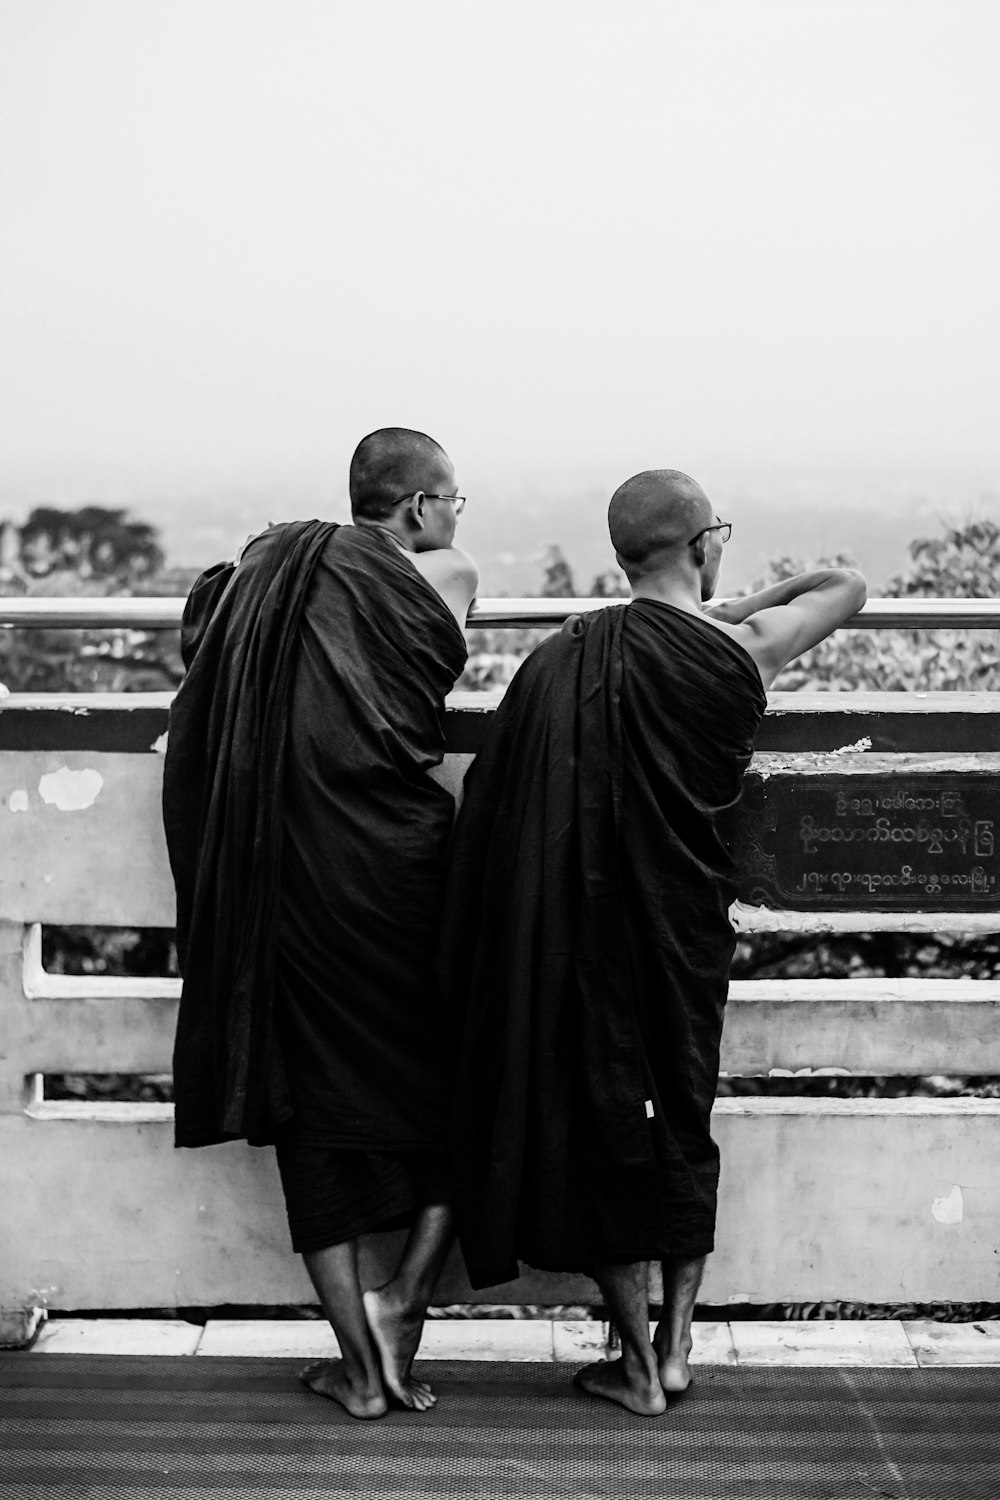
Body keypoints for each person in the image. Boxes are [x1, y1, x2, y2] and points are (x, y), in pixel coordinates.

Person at [438, 469, 866, 1416]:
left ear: (624, 556)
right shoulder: (739, 653)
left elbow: (498, 796)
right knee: (682, 1116)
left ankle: (634, 1361)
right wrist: (715, 610)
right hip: (682, 930)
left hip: (580, 935)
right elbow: (846, 584)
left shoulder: (566, 655)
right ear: (704, 546)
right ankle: (674, 1350)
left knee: (603, 1124)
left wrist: (670, 597)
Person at [164, 428, 477, 1419]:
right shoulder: (449, 571)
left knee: (307, 1105)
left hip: (289, 874)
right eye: (454, 499)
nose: (460, 518)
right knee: (451, 1087)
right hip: (402, 869)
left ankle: (358, 1367)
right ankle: (403, 1309)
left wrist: (266, 557)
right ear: (423, 509)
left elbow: (205, 643)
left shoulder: (265, 570)